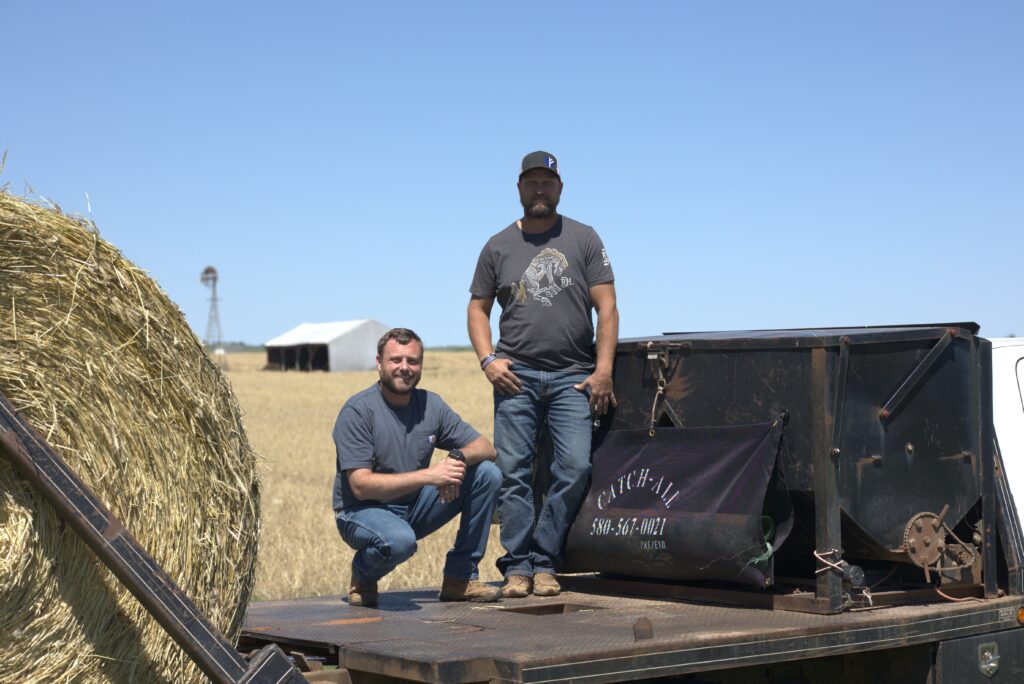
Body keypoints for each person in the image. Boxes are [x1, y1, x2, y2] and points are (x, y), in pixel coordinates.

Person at [467, 151, 619, 598]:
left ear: (559, 188)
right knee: (514, 472)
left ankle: (546, 561)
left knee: (573, 467)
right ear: (519, 188)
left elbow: (607, 308)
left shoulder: (584, 238)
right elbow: (477, 308)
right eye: (531, 183)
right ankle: (517, 567)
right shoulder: (497, 246)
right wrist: (487, 360)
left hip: (574, 375)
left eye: (547, 183)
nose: (539, 190)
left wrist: (604, 368)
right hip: (516, 375)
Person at [332, 328, 503, 607]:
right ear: (379, 363)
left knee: (487, 474)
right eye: (395, 360)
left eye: (412, 361)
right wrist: (431, 475)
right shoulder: (358, 411)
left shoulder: (430, 405)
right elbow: (360, 486)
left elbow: (487, 448)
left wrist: (455, 459)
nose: (404, 368)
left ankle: (459, 579)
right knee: (399, 541)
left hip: (414, 506)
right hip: (362, 512)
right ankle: (363, 575)